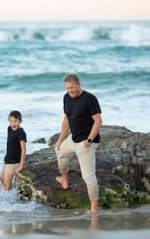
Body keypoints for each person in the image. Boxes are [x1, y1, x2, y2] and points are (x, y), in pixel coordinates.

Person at [54, 73, 102, 214]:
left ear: (79, 84)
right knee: (59, 151)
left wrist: (89, 140)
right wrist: (60, 140)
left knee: (88, 176)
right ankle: (64, 180)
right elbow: (66, 120)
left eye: (72, 87)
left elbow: (98, 122)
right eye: (67, 88)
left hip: (86, 142)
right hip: (73, 138)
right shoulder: (66, 97)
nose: (70, 91)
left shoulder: (90, 99)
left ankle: (94, 207)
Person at [0, 110, 27, 191]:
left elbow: (23, 149)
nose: (13, 123)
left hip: (14, 161)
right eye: (11, 121)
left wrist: (21, 165)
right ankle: (13, 191)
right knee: (1, 179)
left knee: (6, 186)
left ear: (20, 121)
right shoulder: (9, 129)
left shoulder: (21, 133)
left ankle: (6, 202)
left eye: (15, 121)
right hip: (8, 159)